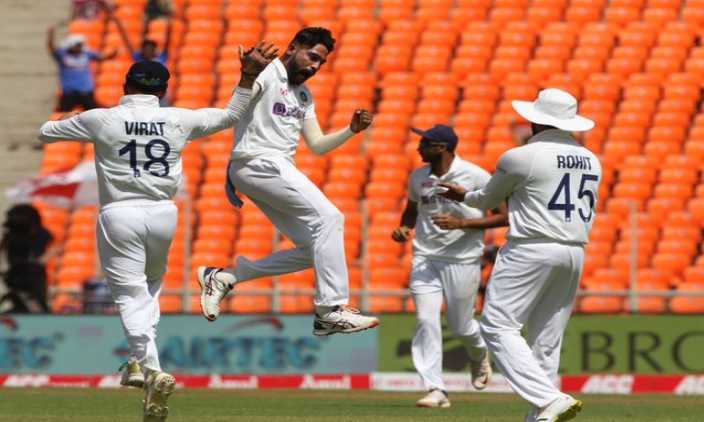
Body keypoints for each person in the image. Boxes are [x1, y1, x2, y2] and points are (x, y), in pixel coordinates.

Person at [37, 41, 279, 422]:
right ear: (163, 90)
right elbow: (233, 115)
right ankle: (138, 362)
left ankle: (149, 365)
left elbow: (46, 132)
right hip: (164, 214)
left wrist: (75, 121)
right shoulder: (179, 119)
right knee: (150, 286)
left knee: (130, 294)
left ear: (125, 85)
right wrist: (248, 76)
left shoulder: (103, 119)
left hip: (120, 212)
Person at [196, 27, 380, 336]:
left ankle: (225, 277)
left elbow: (318, 145)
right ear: (293, 47)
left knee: (314, 249)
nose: (314, 66)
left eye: (321, 63)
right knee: (331, 218)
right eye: (312, 57)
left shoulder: (304, 95)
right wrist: (247, 75)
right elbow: (234, 109)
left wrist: (351, 131)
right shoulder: (266, 74)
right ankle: (330, 309)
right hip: (258, 161)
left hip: (271, 168)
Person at [439, 88, 600, 422]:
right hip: (574, 251)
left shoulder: (521, 156)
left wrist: (464, 195)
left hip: (531, 247)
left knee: (497, 326)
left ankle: (548, 398)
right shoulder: (591, 158)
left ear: (536, 120)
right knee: (547, 337)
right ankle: (541, 415)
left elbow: (485, 200)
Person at [391, 125, 507, 408]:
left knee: (462, 327)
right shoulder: (419, 177)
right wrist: (404, 229)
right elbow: (410, 211)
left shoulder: (476, 175)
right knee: (425, 320)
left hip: (463, 260)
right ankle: (436, 389)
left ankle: (479, 354)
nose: (419, 148)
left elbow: (504, 217)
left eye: (424, 144)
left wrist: (462, 223)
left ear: (441, 147)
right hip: (425, 259)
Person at [47, 25, 118, 111]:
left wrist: (112, 54)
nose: (80, 47)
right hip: (69, 93)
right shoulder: (63, 55)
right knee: (62, 115)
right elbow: (52, 48)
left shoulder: (86, 54)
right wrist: (51, 35)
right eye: (78, 45)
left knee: (93, 114)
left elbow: (102, 57)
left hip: (86, 92)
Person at [0, 204, 54, 314]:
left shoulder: (41, 233)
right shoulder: (12, 234)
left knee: (36, 306)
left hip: (33, 274)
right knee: (23, 304)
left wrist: (40, 260)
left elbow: (53, 247)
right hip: (16, 273)